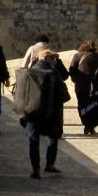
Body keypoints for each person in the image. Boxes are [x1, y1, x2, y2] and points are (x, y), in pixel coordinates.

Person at [21, 49, 67, 178]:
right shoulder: (54, 73)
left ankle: (36, 169)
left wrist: (23, 113)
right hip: (51, 112)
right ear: (46, 59)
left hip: (33, 112)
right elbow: (62, 95)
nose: (54, 61)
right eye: (53, 58)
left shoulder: (30, 72)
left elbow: (22, 94)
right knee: (53, 138)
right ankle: (50, 164)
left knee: (33, 141)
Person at [67, 41, 98, 134]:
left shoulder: (77, 56)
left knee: (82, 105)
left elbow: (72, 70)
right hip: (96, 86)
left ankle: (86, 124)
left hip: (81, 86)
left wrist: (76, 80)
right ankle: (91, 124)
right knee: (93, 106)